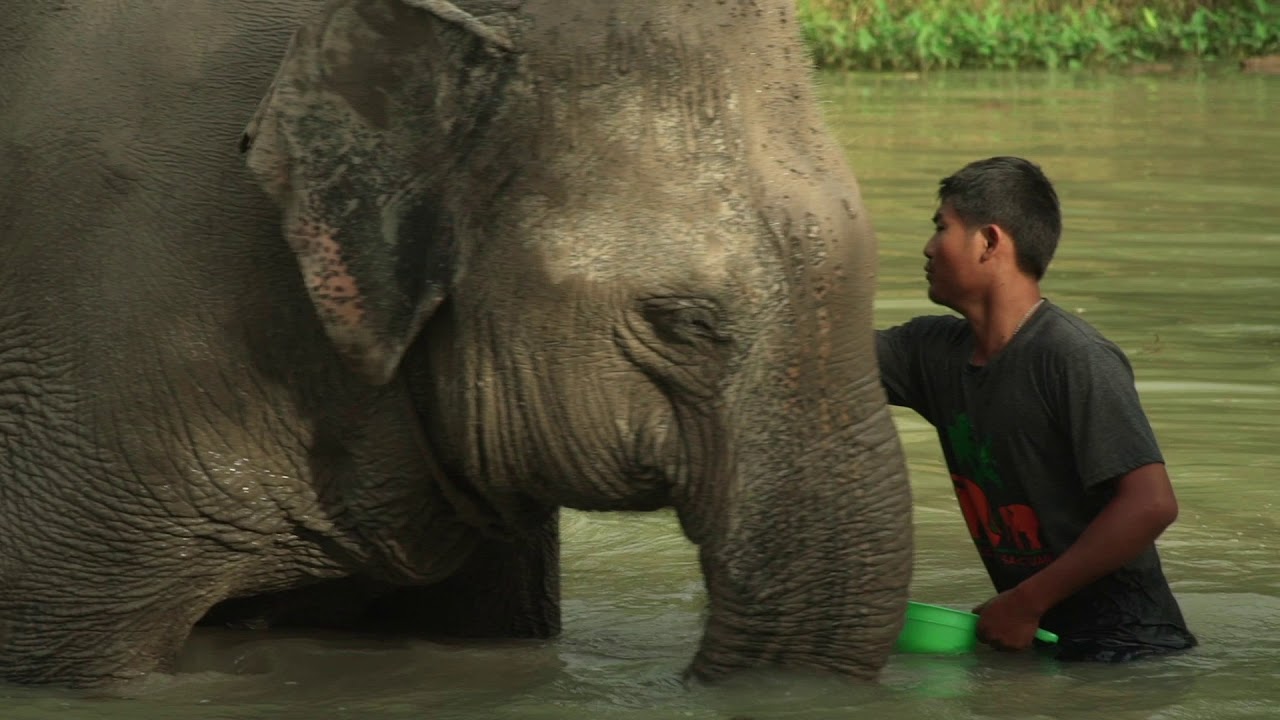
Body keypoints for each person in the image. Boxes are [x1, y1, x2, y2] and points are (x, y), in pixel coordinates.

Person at [876, 156, 1197, 661]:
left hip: (1127, 651)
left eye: (942, 227)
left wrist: (1026, 602)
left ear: (989, 242)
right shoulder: (930, 353)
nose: (928, 246)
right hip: (1035, 640)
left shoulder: (1072, 357)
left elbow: (1152, 503)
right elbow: (826, 360)